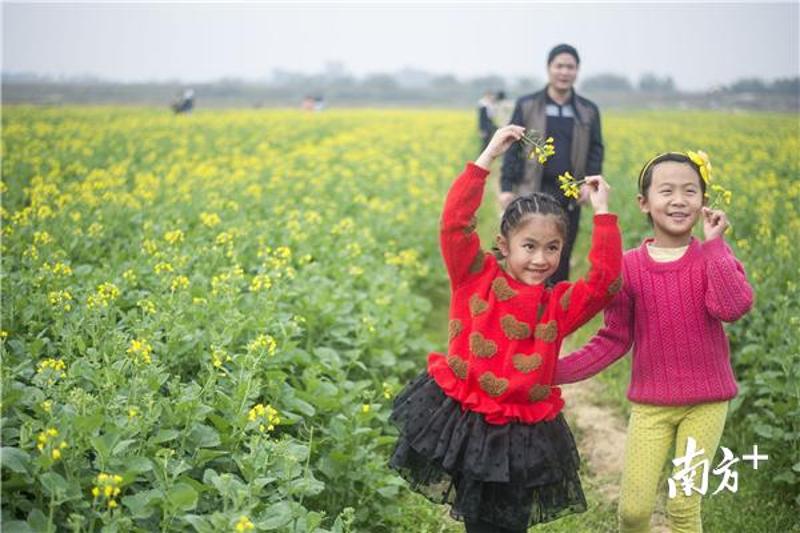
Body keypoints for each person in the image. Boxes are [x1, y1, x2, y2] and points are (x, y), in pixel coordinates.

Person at [388, 125, 622, 532]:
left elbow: (604, 283)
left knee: (512, 522)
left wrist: (603, 214)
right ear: (503, 244)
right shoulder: (474, 276)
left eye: (552, 249)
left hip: (525, 431)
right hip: (469, 421)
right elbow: (453, 224)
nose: (540, 259)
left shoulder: (558, 304)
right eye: (529, 246)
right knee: (477, 520)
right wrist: (487, 156)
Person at [554, 152, 754, 533]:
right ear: (644, 203)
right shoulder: (629, 266)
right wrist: (553, 371)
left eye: (690, 191)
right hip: (651, 406)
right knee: (633, 512)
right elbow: (613, 339)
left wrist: (715, 246)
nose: (679, 200)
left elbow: (731, 307)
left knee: (683, 505)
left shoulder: (713, 256)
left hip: (707, 403)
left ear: (703, 201)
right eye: (667, 191)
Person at [500, 44, 603, 284]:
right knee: (525, 253)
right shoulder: (527, 105)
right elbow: (512, 147)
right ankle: (523, 312)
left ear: (577, 71)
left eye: (570, 67)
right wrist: (506, 186)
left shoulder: (588, 111)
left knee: (560, 255)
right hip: (531, 192)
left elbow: (596, 149)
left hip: (569, 196)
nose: (564, 72)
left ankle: (554, 315)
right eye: (559, 66)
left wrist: (590, 183)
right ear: (549, 68)